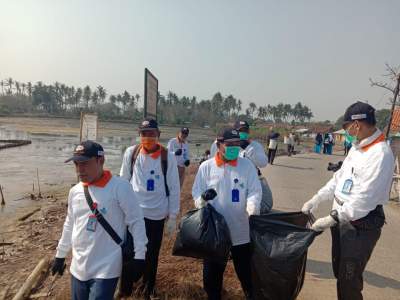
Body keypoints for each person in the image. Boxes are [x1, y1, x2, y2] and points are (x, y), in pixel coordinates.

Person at [301, 102, 394, 300]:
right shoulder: (357, 148)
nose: (346, 133)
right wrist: (317, 198)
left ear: (357, 125)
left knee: (349, 280)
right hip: (341, 222)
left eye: (346, 128)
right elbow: (339, 179)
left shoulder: (380, 155)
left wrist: (331, 219)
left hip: (359, 226)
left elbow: (364, 200)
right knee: (340, 272)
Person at [51, 141, 148, 300]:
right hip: (78, 266)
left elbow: (136, 221)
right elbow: (70, 224)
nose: (79, 169)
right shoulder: (75, 191)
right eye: (76, 164)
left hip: (107, 266)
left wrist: (140, 255)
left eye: (85, 164)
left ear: (100, 161)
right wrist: (60, 255)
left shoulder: (120, 187)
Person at [192, 128, 262, 300]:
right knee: (211, 279)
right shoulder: (206, 167)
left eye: (237, 145)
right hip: (215, 234)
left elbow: (255, 191)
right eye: (229, 145)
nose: (233, 148)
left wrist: (252, 209)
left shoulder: (247, 166)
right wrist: (202, 199)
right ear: (218, 144)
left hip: (241, 231)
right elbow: (196, 195)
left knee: (247, 276)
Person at [120, 119, 180, 299]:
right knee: (129, 253)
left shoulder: (166, 156)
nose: (148, 137)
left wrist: (173, 216)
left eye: (151, 133)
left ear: (158, 135)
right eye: (144, 134)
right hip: (134, 214)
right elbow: (123, 181)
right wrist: (120, 209)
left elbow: (174, 187)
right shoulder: (132, 153)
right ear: (139, 135)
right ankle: (126, 289)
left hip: (157, 214)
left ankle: (148, 289)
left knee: (151, 255)